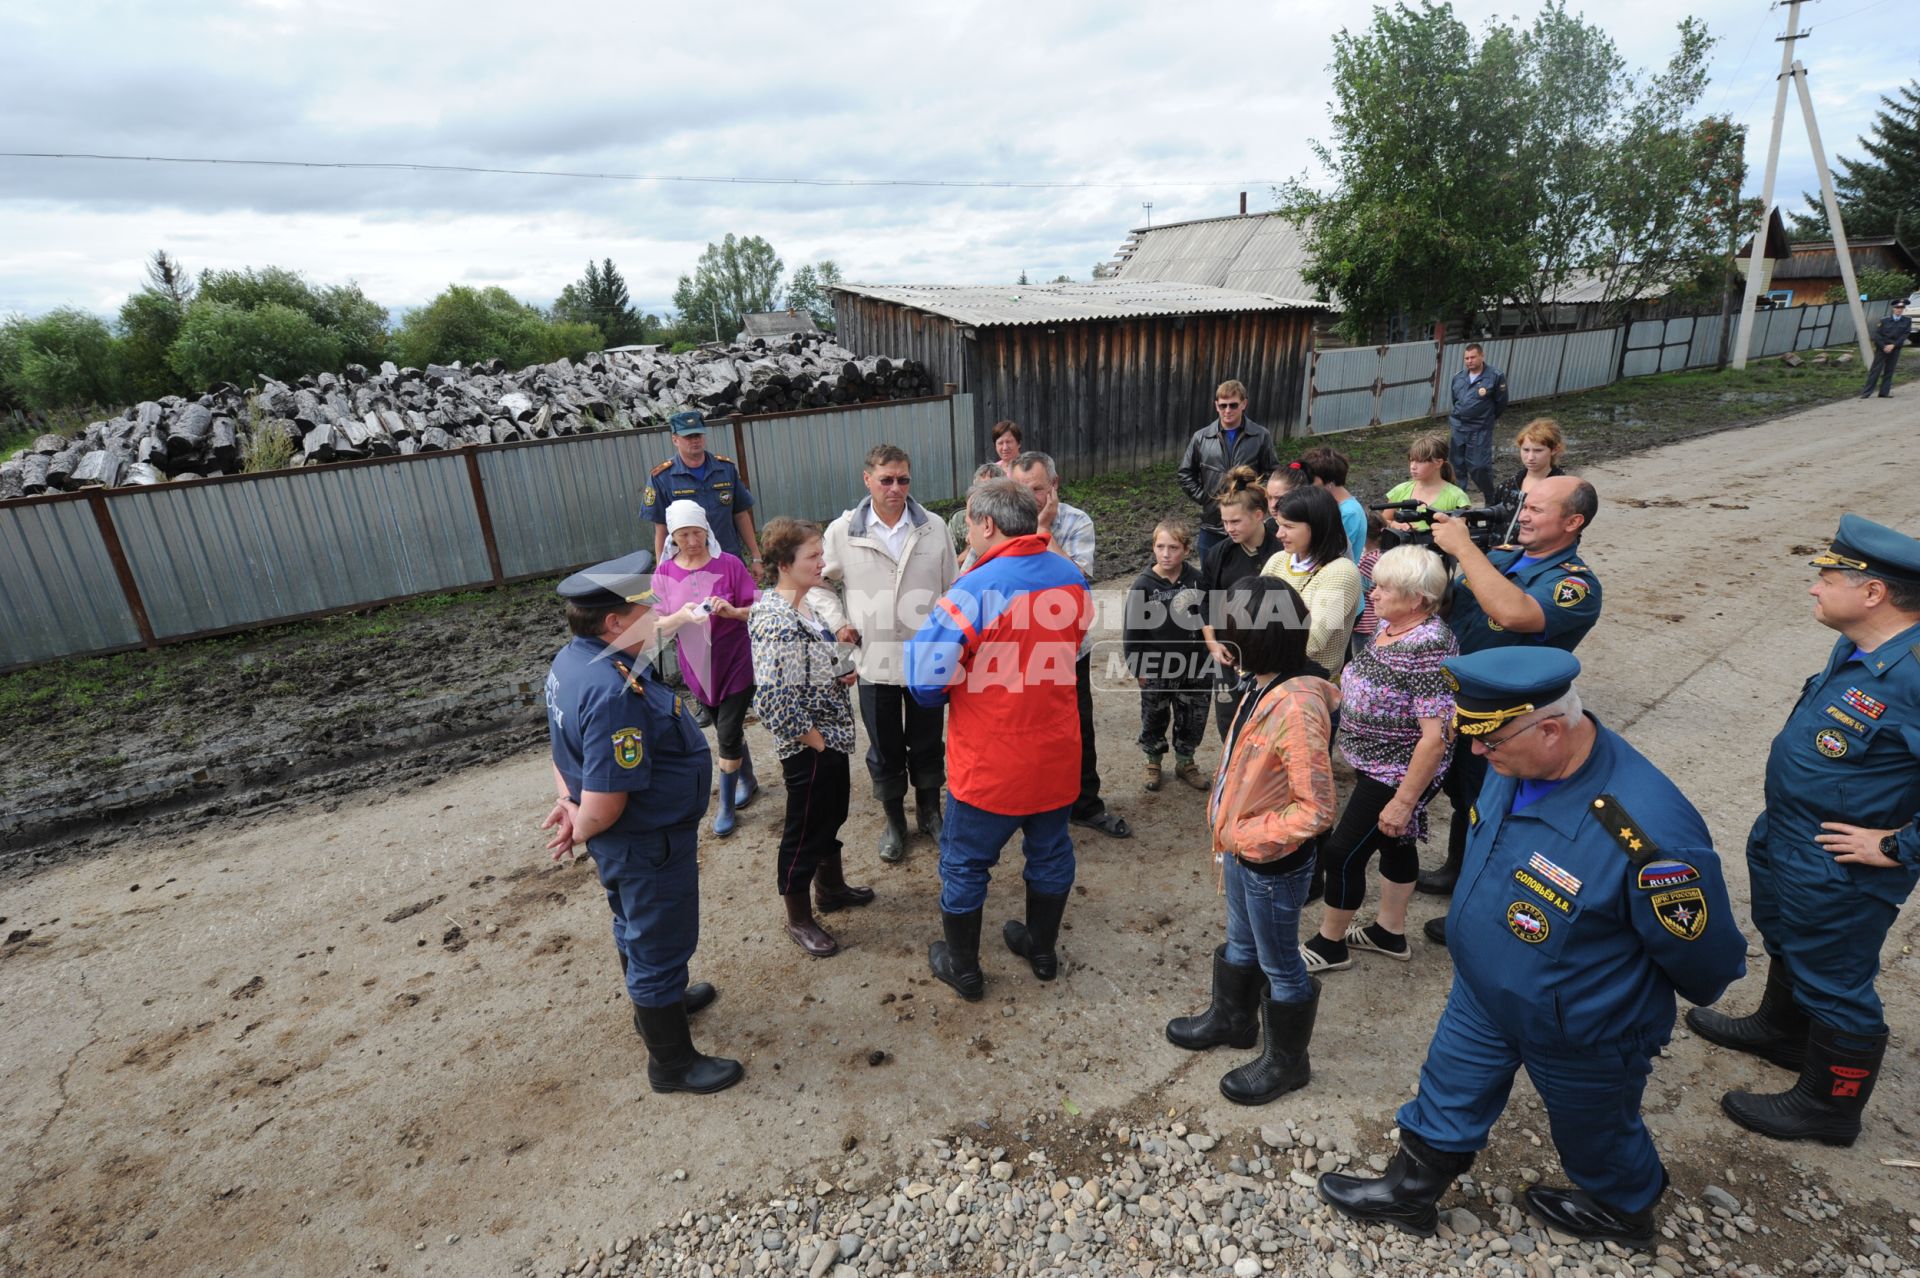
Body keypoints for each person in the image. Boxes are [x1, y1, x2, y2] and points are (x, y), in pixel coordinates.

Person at [1318, 650, 1745, 1245]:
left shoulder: (1648, 834)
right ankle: (1409, 1192)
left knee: (1594, 1126)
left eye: (1489, 742)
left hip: (1581, 1019)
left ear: (1550, 730)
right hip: (1485, 987)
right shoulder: (1513, 760)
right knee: (1448, 1085)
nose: (1476, 753)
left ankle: (1623, 1209)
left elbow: (1707, 964)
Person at [1686, 515, 1920, 1146]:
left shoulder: (1915, 672)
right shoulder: (1859, 645)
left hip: (1843, 861)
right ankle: (1783, 1031)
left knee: (1838, 979)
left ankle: (1830, 1107)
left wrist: (1897, 845)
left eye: (1829, 577)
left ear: (1872, 593)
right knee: (1789, 937)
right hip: (1792, 835)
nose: (1816, 588)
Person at [540, 550, 742, 1095]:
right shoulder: (611, 690)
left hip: (626, 845)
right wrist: (577, 823)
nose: (656, 616)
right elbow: (606, 805)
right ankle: (672, 1064)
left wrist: (568, 801)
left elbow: (564, 753)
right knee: (658, 942)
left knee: (633, 926)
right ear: (613, 622)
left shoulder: (574, 662)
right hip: (645, 843)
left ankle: (662, 1005)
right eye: (645, 610)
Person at [906, 478, 1091, 1000]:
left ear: (987, 525)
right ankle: (1042, 949)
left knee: (965, 862)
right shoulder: (1069, 576)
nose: (968, 530)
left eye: (969, 522)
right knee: (1051, 851)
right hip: (1055, 752)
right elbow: (1074, 640)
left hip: (992, 760)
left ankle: (963, 968)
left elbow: (924, 679)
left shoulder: (972, 590)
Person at [1164, 576, 1339, 1105]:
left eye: (1230, 627)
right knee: (1241, 942)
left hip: (1271, 862)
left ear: (1257, 638)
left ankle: (1289, 1062)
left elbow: (1316, 807)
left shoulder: (1296, 707)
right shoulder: (1262, 681)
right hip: (1242, 853)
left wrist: (1247, 833)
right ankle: (1233, 1020)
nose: (1219, 635)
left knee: (1281, 963)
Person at [1419, 476, 1604, 907]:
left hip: (1513, 721)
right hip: (1465, 703)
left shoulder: (1575, 585)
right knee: (1466, 795)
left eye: (1538, 510)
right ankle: (1458, 870)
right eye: (1525, 505)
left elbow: (1513, 612)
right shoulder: (1503, 557)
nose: (1523, 515)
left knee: (1500, 808)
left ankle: (1482, 902)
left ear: (1573, 521)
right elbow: (1457, 605)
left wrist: (1464, 548)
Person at [1300, 546, 1456, 973]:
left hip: (1398, 770)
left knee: (1342, 853)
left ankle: (1330, 945)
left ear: (1418, 599)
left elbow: (1436, 738)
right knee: (1394, 841)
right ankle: (1389, 932)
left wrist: (1404, 800)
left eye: (1384, 588)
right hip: (1375, 762)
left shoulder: (1429, 645)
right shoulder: (1393, 627)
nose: (1374, 593)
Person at [813, 445, 959, 863]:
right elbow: (818, 584)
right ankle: (894, 818)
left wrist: (948, 640)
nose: (896, 488)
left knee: (928, 740)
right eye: (886, 479)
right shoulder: (844, 532)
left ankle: (930, 811)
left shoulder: (932, 527)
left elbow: (953, 588)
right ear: (867, 479)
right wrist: (840, 621)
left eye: (903, 479)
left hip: (925, 659)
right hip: (874, 660)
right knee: (886, 745)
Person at [748, 518, 869, 958]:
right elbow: (773, 700)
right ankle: (798, 918)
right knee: (803, 832)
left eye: (822, 553)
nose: (823, 562)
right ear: (784, 564)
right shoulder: (775, 619)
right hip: (809, 746)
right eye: (813, 557)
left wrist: (840, 670)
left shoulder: (805, 605)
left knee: (829, 816)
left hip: (829, 738)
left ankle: (831, 890)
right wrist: (815, 741)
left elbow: (812, 657)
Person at [1009, 450, 1131, 839]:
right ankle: (1030, 805)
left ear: (1055, 486)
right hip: (1020, 650)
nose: (1029, 499)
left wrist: (1043, 533)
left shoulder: (1076, 522)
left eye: (1038, 489)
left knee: (1078, 726)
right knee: (1026, 728)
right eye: (1020, 489)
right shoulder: (1004, 522)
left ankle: (1085, 804)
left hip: (1069, 649)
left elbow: (1075, 582)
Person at [651, 500, 758, 838]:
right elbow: (655, 627)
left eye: (697, 532)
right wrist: (682, 616)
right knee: (724, 726)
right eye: (684, 534)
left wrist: (732, 612)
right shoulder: (664, 573)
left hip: (737, 659)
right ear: (673, 536)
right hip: (697, 667)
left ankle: (725, 806)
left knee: (726, 733)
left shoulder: (728, 564)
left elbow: (756, 607)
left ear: (707, 530)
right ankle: (749, 779)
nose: (693, 541)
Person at [1123, 519, 1211, 793]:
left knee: (1192, 716)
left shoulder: (1198, 581)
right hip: (1156, 666)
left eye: (1173, 547)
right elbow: (1132, 631)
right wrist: (1138, 666)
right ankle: (1153, 760)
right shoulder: (1144, 586)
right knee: (1154, 715)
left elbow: (1209, 619)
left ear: (1186, 549)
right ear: (1153, 548)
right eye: (1160, 546)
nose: (1166, 553)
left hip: (1195, 666)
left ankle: (1186, 761)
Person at [1200, 468, 1285, 738]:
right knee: (1231, 723)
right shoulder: (1219, 554)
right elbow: (1207, 604)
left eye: (1235, 521)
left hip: (1271, 652)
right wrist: (1212, 643)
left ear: (1258, 515)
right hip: (1229, 652)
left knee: (1269, 720)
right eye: (1225, 522)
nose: (1229, 529)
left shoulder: (1281, 551)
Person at [1261, 485, 1363, 680]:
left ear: (1317, 527)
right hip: (1268, 677)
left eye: (1289, 526)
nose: (1279, 534)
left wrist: (1253, 650)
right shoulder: (1278, 560)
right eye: (1279, 524)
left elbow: (1312, 642)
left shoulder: (1341, 573)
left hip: (1309, 687)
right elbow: (1250, 612)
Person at [642, 411, 761, 566]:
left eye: (698, 435)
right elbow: (661, 528)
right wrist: (661, 568)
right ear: (675, 439)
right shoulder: (662, 477)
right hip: (688, 564)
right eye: (688, 436)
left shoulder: (725, 469)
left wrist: (756, 556)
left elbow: (741, 514)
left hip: (728, 558)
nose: (695, 440)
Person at [1179, 379, 1280, 560]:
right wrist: (1205, 498)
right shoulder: (1201, 437)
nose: (1227, 411)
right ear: (1216, 406)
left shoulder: (1260, 436)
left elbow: (1273, 474)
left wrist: (1254, 497)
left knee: (1247, 583)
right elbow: (1185, 473)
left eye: (1233, 405)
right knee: (1212, 584)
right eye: (1223, 405)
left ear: (1244, 404)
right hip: (1211, 525)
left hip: (1247, 524)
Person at [1447, 342, 1509, 504]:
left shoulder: (1495, 376)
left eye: (1473, 357)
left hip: (1480, 429)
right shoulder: (1458, 377)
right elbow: (1456, 401)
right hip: (1459, 427)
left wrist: (1486, 419)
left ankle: (1491, 497)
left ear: (1482, 356)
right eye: (1466, 358)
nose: (1469, 361)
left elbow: (1501, 403)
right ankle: (1458, 501)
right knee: (1457, 466)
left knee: (1479, 466)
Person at [1381, 433, 1471, 539]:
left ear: (1438, 463)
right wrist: (1394, 524)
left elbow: (1461, 535)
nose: (1413, 467)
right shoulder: (1400, 490)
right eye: (1411, 460)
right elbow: (1384, 521)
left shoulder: (1457, 496)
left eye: (1420, 461)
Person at [1298, 446, 1368, 566]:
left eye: (1311, 480)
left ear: (1329, 481)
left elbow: (1331, 553)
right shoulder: (1335, 506)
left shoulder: (1348, 512)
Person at [1350, 510, 1388, 660]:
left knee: (1360, 657)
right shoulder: (1380, 554)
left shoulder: (1370, 560)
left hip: (1365, 622)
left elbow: (1361, 588)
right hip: (1372, 620)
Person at [950, 463, 1002, 569]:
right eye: (981, 488)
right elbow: (947, 562)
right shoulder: (959, 519)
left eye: (991, 489)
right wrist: (967, 553)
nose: (985, 494)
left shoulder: (1009, 519)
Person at [1859, 298, 1910, 399]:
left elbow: (1904, 335)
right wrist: (1884, 346)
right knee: (1875, 370)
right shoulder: (1884, 320)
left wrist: (1893, 345)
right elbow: (1877, 335)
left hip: (1895, 349)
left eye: (1901, 308)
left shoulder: (1907, 321)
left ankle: (1884, 392)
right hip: (1882, 349)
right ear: (1893, 309)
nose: (1899, 310)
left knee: (1889, 370)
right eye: (1897, 308)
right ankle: (1866, 392)